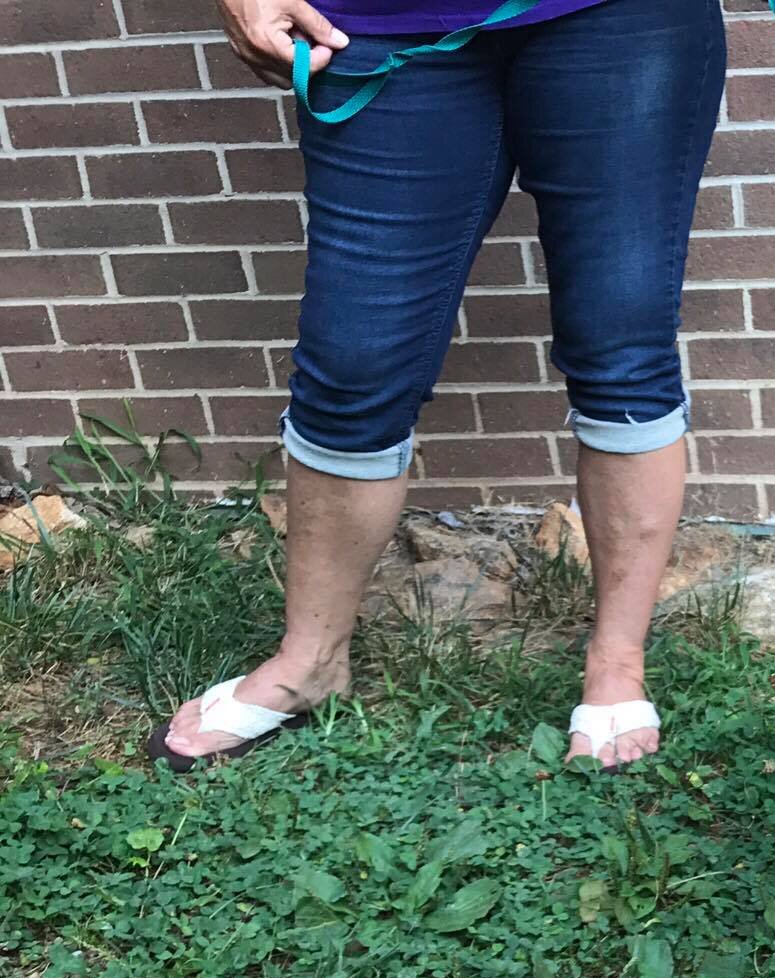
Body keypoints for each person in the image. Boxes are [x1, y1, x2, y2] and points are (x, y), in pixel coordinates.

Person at [150, 0, 727, 770]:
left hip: (620, 18)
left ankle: (616, 664)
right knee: (354, 359)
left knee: (622, 343)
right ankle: (310, 660)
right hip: (374, 19)